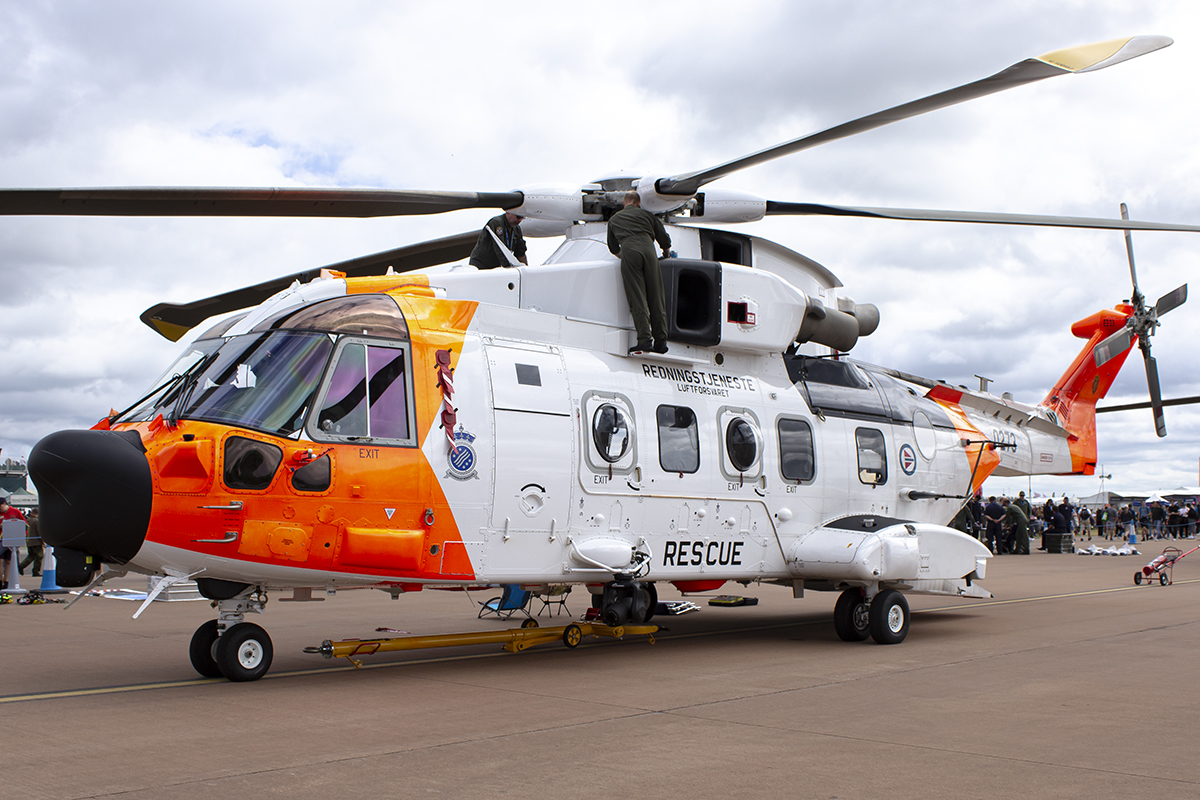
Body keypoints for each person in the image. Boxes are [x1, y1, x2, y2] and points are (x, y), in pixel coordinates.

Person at [607, 190, 672, 355]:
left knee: (637, 297)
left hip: (629, 251)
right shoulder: (647, 215)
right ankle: (661, 341)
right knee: (656, 296)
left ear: (624, 203)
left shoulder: (615, 219)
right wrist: (666, 253)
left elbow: (613, 247)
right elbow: (663, 238)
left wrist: (625, 255)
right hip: (649, 251)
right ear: (638, 203)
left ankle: (644, 340)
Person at [0, 496, 26, 590]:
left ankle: (6, 582)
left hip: (12, 540)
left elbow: (24, 524)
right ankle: (0, 580)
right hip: (1, 540)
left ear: (4, 504)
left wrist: (22, 536)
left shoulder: (15, 512)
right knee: (0, 560)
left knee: (9, 561)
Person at [17, 507, 41, 578]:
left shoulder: (28, 520)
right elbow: (39, 531)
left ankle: (22, 565)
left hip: (29, 541)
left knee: (31, 555)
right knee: (39, 557)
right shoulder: (36, 521)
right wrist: (43, 541)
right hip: (36, 542)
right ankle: (36, 571)